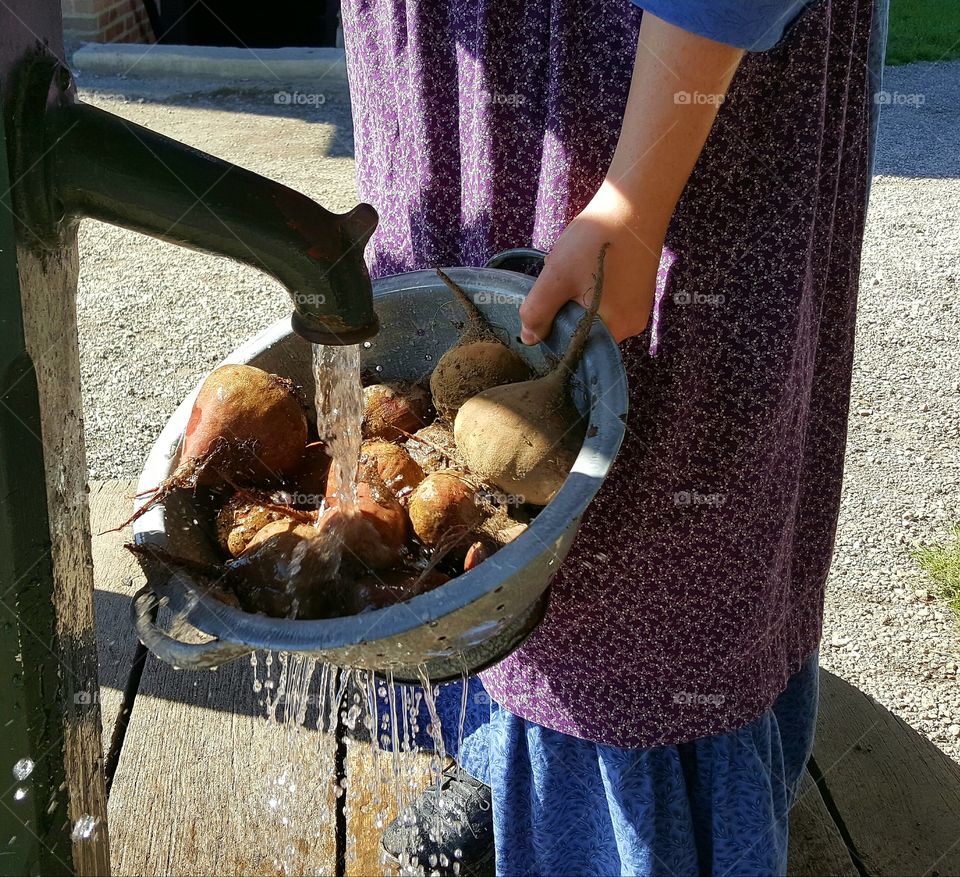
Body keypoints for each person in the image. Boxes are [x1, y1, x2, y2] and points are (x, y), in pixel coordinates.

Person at [340, 0, 889, 874]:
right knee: (458, 459)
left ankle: (643, 838)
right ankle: (503, 758)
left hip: (661, 75)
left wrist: (635, 196)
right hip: (460, 63)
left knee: (642, 548)